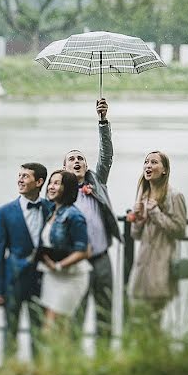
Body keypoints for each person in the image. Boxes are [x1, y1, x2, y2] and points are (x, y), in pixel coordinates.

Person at [64, 98, 120, 349]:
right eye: (72, 159)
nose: (77, 161)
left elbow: (106, 155)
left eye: (81, 159)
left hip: (101, 258)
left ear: (86, 166)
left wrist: (102, 120)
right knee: (76, 312)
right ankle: (74, 361)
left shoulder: (97, 182)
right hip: (76, 261)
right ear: (64, 168)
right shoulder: (61, 193)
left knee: (105, 309)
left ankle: (104, 357)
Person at [0, 162, 53, 359]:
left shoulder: (51, 208)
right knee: (10, 331)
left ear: (39, 182)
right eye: (19, 175)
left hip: (42, 281)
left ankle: (40, 373)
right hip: (13, 280)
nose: (20, 179)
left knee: (39, 332)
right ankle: (10, 371)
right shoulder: (4, 212)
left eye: (25, 176)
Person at [127, 151, 187, 323]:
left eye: (154, 162)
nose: (148, 166)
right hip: (142, 266)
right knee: (138, 319)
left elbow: (180, 230)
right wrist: (137, 220)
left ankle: (156, 349)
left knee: (154, 320)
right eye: (146, 162)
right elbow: (135, 234)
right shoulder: (143, 196)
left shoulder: (175, 196)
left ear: (165, 170)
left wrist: (155, 213)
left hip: (162, 266)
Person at [37, 170, 91, 332]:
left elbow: (84, 251)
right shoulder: (52, 210)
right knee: (50, 326)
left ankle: (64, 356)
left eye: (57, 183)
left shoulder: (74, 216)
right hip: (52, 276)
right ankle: (59, 357)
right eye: (50, 183)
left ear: (67, 188)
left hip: (71, 276)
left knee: (55, 328)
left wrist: (59, 265)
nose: (51, 187)